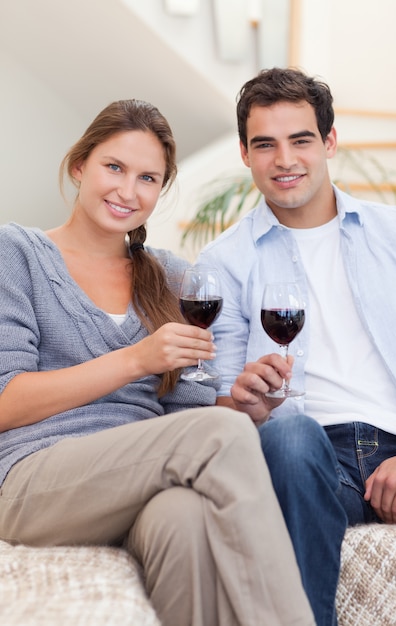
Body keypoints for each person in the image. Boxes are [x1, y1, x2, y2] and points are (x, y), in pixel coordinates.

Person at [0, 98, 316, 626]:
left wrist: (248, 407)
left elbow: (191, 418)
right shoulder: (18, 253)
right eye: (114, 168)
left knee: (184, 516)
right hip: (37, 482)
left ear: (160, 191)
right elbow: (5, 403)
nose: (128, 191)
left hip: (141, 482)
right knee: (216, 433)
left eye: (148, 178)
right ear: (80, 166)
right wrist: (135, 359)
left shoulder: (170, 276)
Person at [197, 66, 396, 626]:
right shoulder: (223, 263)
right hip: (313, 459)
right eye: (265, 145)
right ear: (246, 155)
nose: (285, 160)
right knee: (291, 434)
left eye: (300, 140)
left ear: (329, 142)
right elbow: (225, 410)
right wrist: (248, 403)